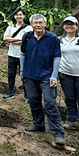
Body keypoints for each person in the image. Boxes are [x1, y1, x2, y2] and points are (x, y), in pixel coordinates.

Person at [21, 14, 65, 147]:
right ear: (31, 25)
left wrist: (54, 75)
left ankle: (58, 133)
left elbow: (57, 57)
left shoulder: (52, 38)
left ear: (45, 24)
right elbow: (22, 54)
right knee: (33, 100)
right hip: (29, 75)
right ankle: (38, 124)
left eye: (40, 22)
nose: (38, 25)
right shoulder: (27, 37)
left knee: (50, 102)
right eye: (35, 23)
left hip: (47, 76)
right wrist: (22, 71)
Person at [2, 8, 30, 99]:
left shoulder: (28, 28)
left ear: (24, 16)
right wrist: (20, 39)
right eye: (17, 14)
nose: (19, 16)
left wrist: (12, 40)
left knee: (25, 75)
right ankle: (10, 91)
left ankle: (26, 95)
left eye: (21, 14)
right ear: (14, 16)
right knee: (11, 74)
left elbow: (28, 40)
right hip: (11, 55)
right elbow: (5, 38)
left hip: (24, 55)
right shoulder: (10, 27)